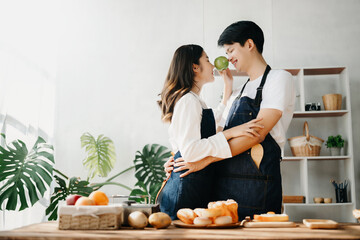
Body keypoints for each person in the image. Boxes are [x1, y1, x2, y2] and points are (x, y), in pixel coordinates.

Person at [171, 21, 296, 220]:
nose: (228, 58)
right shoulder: (237, 93)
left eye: (231, 50)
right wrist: (180, 156)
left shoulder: (279, 79)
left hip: (257, 186)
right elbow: (217, 136)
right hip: (221, 189)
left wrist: (204, 160)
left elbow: (256, 134)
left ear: (249, 44)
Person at [156, 44, 263, 219]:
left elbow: (215, 119)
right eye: (207, 59)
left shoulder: (195, 100)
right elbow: (190, 151)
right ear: (194, 67)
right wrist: (230, 133)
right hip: (184, 192)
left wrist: (228, 86)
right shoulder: (188, 101)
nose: (213, 65)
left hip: (191, 186)